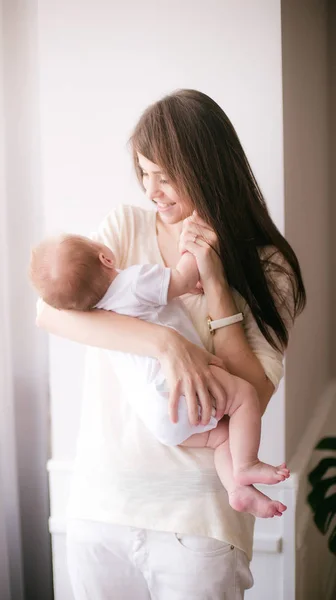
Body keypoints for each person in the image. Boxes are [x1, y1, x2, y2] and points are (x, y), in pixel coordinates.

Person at [36, 89, 306, 599]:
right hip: (101, 506)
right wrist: (165, 342)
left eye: (165, 174)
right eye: (144, 172)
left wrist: (216, 281)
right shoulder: (124, 228)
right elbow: (50, 312)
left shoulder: (269, 268)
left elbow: (251, 392)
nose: (152, 190)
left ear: (208, 167)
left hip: (197, 525)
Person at [30, 233, 290, 519]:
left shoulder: (100, 315)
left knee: (220, 438)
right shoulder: (135, 281)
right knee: (244, 397)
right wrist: (196, 244)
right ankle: (245, 465)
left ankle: (237, 490)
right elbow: (182, 278)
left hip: (163, 419)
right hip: (184, 390)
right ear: (105, 257)